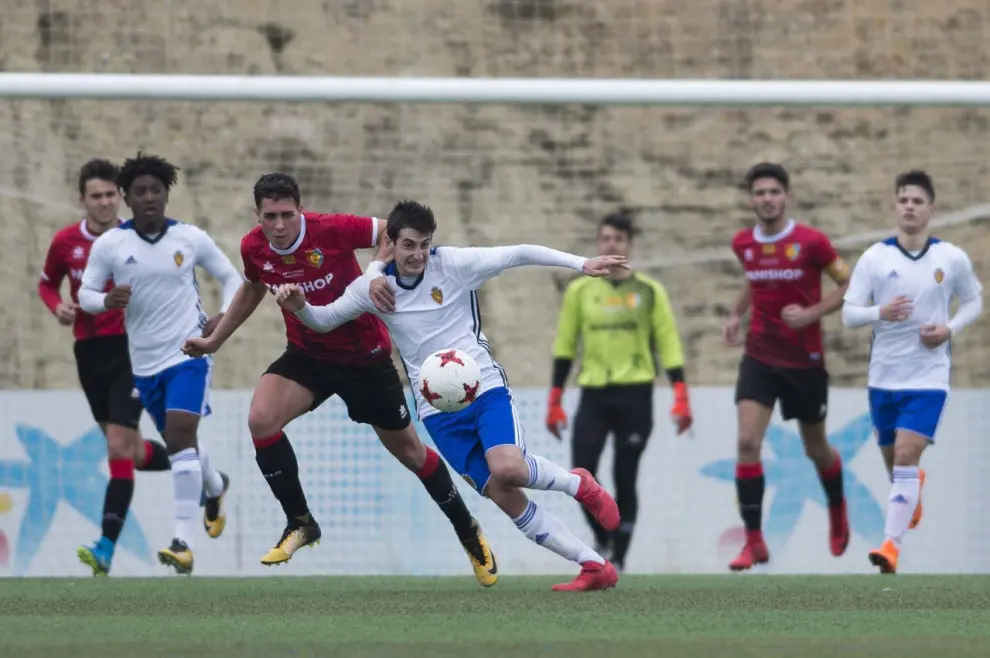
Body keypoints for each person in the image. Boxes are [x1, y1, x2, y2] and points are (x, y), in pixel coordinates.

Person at [274, 200, 627, 591]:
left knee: (508, 467)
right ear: (390, 243)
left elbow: (520, 253)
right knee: (501, 493)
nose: (418, 255)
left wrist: (581, 264)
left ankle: (580, 485)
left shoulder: (454, 264)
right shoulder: (374, 289)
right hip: (437, 412)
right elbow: (323, 321)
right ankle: (594, 566)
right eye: (409, 245)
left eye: (425, 244)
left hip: (484, 388)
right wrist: (300, 307)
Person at [181, 174, 498, 586]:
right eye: (269, 217)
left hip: (363, 357)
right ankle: (300, 521)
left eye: (287, 215)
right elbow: (252, 287)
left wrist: (378, 271)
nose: (278, 225)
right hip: (308, 354)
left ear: (300, 209)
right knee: (260, 419)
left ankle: (467, 530)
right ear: (257, 215)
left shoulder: (332, 228)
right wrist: (214, 339)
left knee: (412, 454)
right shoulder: (253, 247)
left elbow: (390, 229)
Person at [78, 153, 238, 575]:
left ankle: (182, 542)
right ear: (127, 199)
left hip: (189, 355)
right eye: (140, 191)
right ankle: (216, 486)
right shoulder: (111, 244)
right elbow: (85, 294)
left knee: (181, 438)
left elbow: (234, 279)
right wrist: (106, 301)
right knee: (180, 442)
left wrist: (219, 324)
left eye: (156, 190)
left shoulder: (190, 238)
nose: (149, 197)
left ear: (167, 194)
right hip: (143, 366)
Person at [38, 158, 174, 575]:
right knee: (130, 452)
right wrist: (58, 305)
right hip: (89, 352)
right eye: (95, 196)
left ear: (121, 196)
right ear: (83, 199)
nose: (104, 202)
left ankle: (104, 547)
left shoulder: (139, 238)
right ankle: (197, 468)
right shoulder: (66, 243)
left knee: (116, 447)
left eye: (110, 194)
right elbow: (47, 282)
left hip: (133, 350)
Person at [841, 170, 982, 574]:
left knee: (905, 454)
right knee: (896, 467)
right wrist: (879, 313)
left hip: (928, 377)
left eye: (917, 201)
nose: (909, 206)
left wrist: (949, 329)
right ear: (895, 206)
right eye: (903, 199)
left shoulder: (950, 258)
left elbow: (974, 302)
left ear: (931, 210)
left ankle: (890, 547)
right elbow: (850, 315)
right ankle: (910, 488)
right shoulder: (875, 257)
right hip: (882, 378)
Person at [544, 212, 693, 571]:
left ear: (629, 245)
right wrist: (555, 400)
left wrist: (680, 394)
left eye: (618, 239)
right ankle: (605, 538)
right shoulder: (580, 290)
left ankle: (620, 557)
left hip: (635, 394)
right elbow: (565, 345)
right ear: (598, 244)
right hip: (594, 393)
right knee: (581, 473)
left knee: (626, 476)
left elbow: (668, 342)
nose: (611, 245)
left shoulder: (648, 291)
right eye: (606, 238)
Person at [722, 162, 851, 571]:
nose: (767, 199)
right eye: (759, 193)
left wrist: (812, 312)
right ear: (751, 199)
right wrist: (736, 314)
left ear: (787, 196)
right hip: (760, 356)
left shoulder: (812, 243)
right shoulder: (743, 243)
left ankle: (836, 505)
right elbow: (754, 279)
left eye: (773, 192)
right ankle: (755, 541)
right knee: (746, 442)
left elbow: (850, 284)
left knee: (816, 448)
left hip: (804, 362)